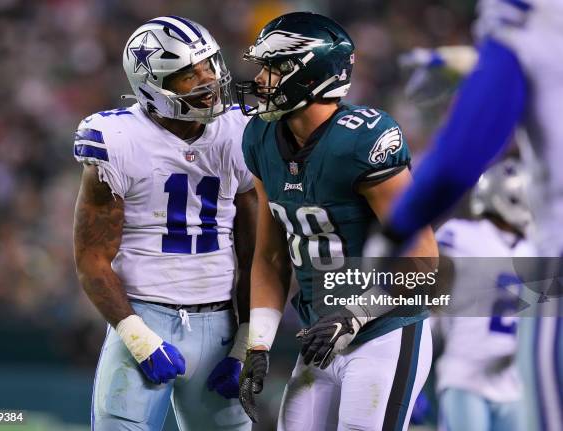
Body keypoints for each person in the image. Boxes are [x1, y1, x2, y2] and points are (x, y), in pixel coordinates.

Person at [235, 12, 438, 430]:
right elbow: (271, 257)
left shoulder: (362, 140)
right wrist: (257, 344)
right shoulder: (260, 137)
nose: (261, 80)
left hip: (382, 330)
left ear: (310, 77)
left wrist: (354, 313)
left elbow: (424, 262)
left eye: (274, 68)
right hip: (317, 337)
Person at [372, 2, 563, 429]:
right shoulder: (469, 237)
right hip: (472, 378)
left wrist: (393, 232)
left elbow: (460, 158)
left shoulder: (527, 17)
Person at [73, 16, 255, 431]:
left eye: (209, 64)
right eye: (189, 75)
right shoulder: (117, 139)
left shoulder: (238, 131)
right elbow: (92, 260)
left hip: (221, 322)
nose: (209, 79)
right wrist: (137, 337)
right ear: (152, 87)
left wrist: (245, 341)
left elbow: (258, 253)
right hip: (143, 313)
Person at [434, 159, 533, 431]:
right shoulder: (462, 235)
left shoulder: (533, 249)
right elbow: (424, 279)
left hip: (514, 381)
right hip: (465, 375)